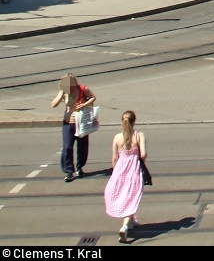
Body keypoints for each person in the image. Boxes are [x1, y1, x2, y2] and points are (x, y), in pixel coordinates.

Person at [104, 111, 145, 243]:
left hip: (120, 170)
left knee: (124, 195)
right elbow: (143, 154)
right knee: (131, 197)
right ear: (135, 121)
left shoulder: (117, 137)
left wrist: (115, 172)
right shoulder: (139, 135)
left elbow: (115, 158)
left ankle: (131, 220)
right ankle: (125, 225)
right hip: (133, 169)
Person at [51, 73, 96, 182]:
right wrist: (61, 95)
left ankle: (80, 167)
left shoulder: (82, 89)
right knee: (67, 147)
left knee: (82, 146)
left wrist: (85, 104)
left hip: (82, 122)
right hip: (68, 122)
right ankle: (69, 171)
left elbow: (93, 97)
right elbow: (53, 104)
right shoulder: (64, 92)